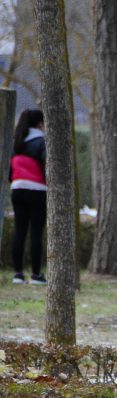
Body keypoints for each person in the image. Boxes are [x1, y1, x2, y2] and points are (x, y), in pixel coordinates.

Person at [9, 108, 46, 285]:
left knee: (19, 231)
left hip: (17, 189)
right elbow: (47, 166)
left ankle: (18, 273)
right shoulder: (41, 142)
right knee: (36, 232)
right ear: (40, 123)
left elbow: (10, 170)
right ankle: (37, 274)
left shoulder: (16, 142)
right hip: (37, 190)